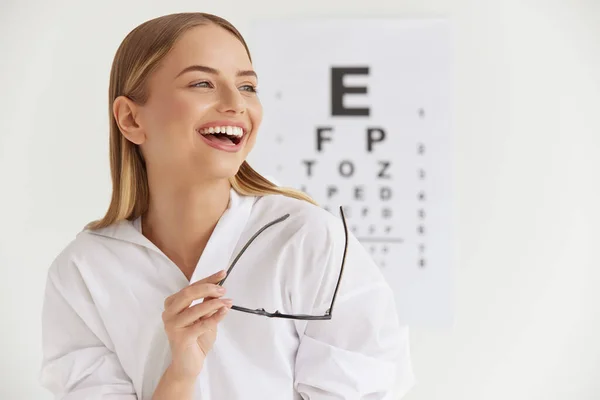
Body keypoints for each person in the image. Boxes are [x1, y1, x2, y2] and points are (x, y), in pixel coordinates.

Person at [40, 12, 415, 400]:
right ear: (131, 118)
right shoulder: (83, 273)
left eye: (248, 86)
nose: (236, 104)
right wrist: (180, 377)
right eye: (202, 83)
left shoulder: (310, 239)